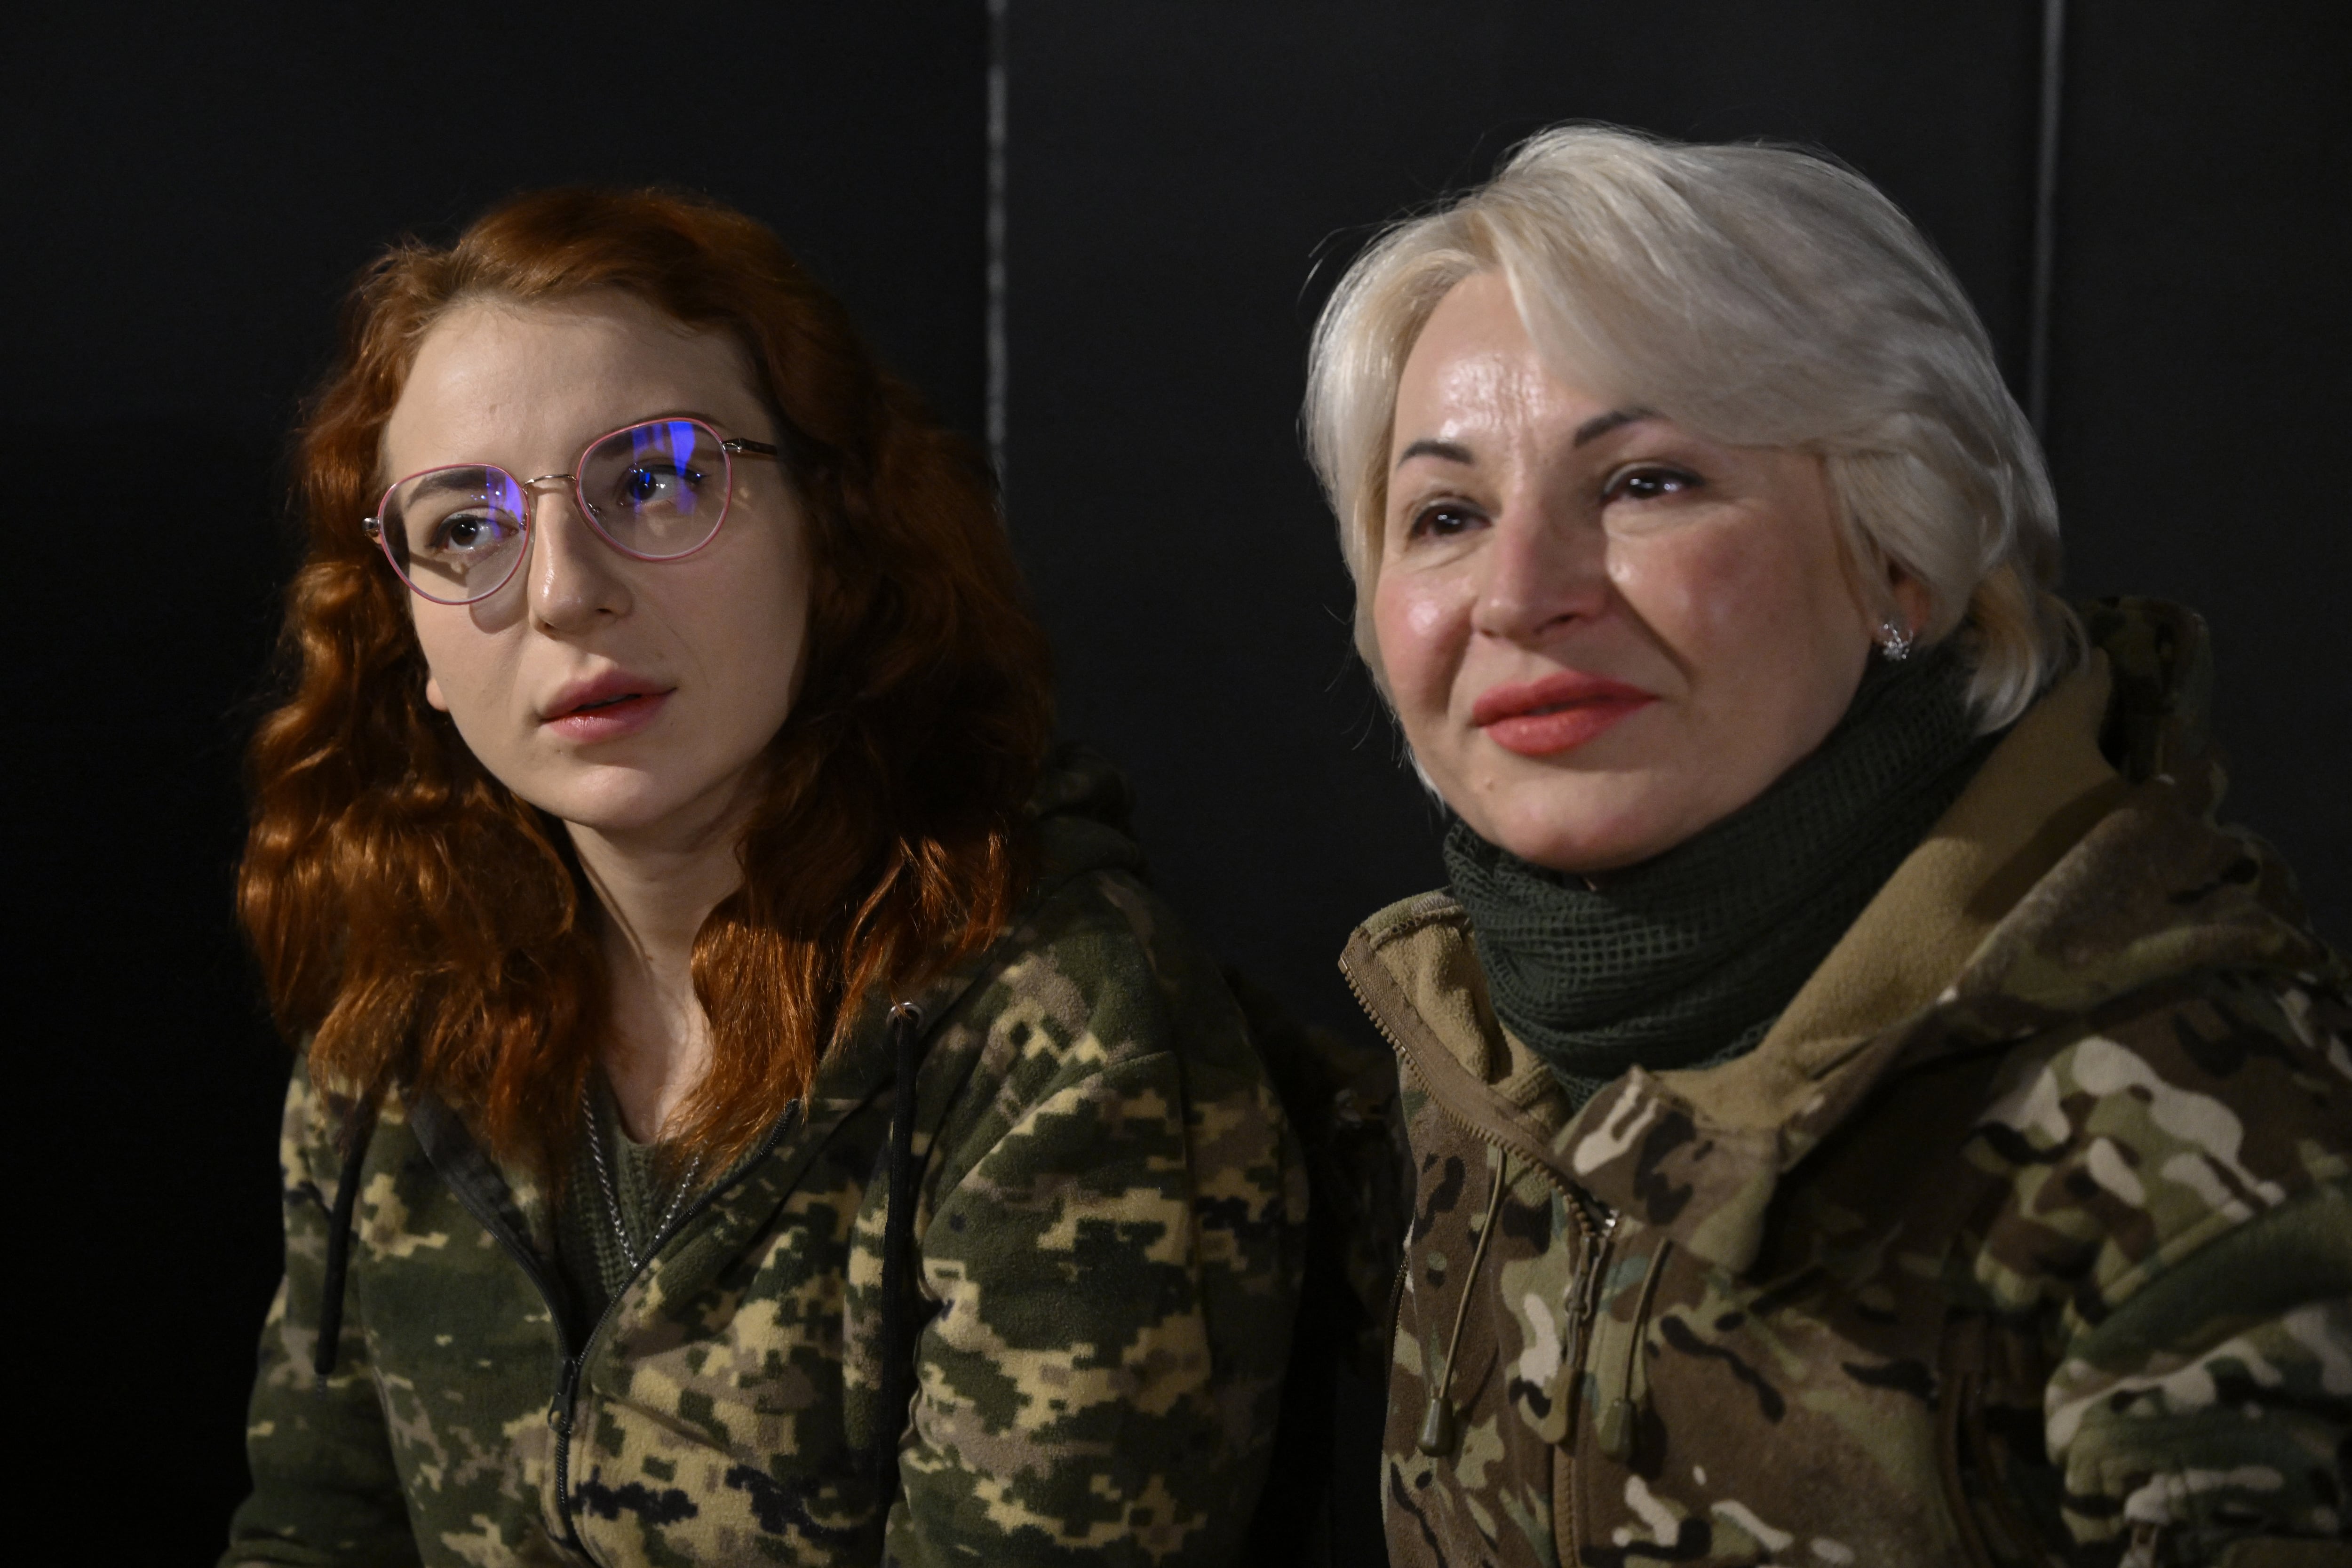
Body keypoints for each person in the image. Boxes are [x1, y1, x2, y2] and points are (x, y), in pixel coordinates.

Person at [1303, 127, 2351, 1567]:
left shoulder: (2190, 1140)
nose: (1519, 592)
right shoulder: (1468, 1067)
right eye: (1445, 514)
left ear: (1900, 553)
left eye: (1645, 482)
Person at [225, 187, 1305, 1567]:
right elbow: (312, 1534)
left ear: (832, 532)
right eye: (466, 528)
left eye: (656, 480)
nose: (561, 591)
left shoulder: (1053, 1030)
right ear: (414, 642)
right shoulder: (400, 1030)